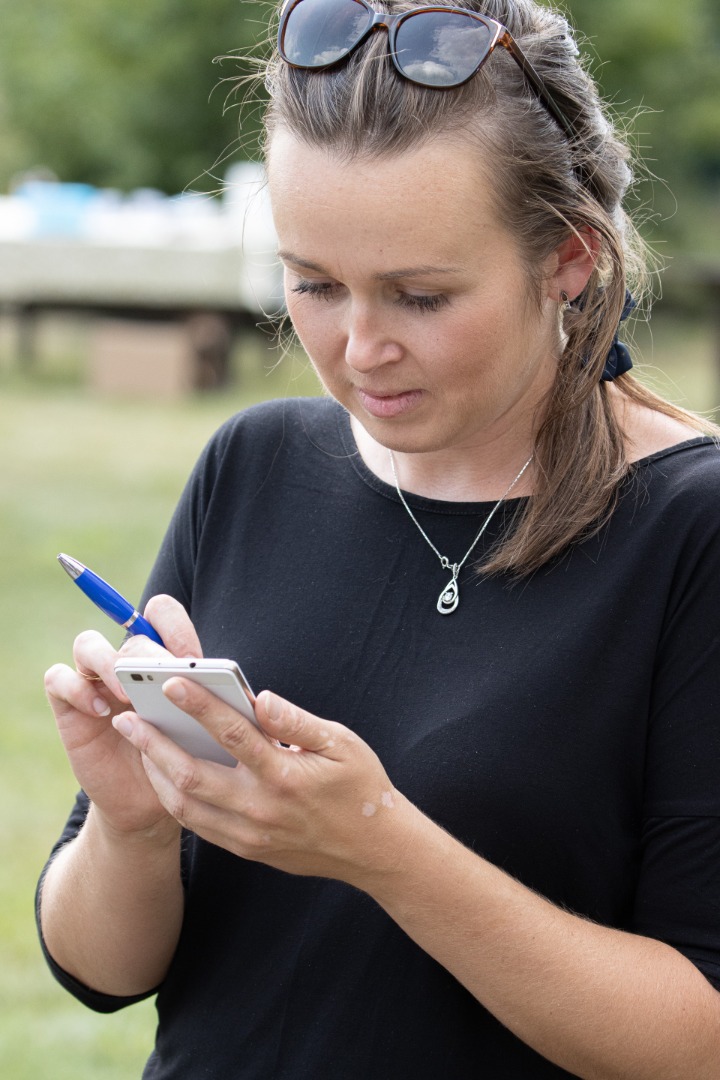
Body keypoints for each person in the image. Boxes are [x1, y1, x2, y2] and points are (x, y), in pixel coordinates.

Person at [38, 1, 720, 1076]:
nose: (359, 349)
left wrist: (382, 850)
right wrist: (131, 826)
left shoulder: (692, 533)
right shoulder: (253, 466)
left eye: (421, 295)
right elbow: (101, 973)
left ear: (571, 258)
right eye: (312, 284)